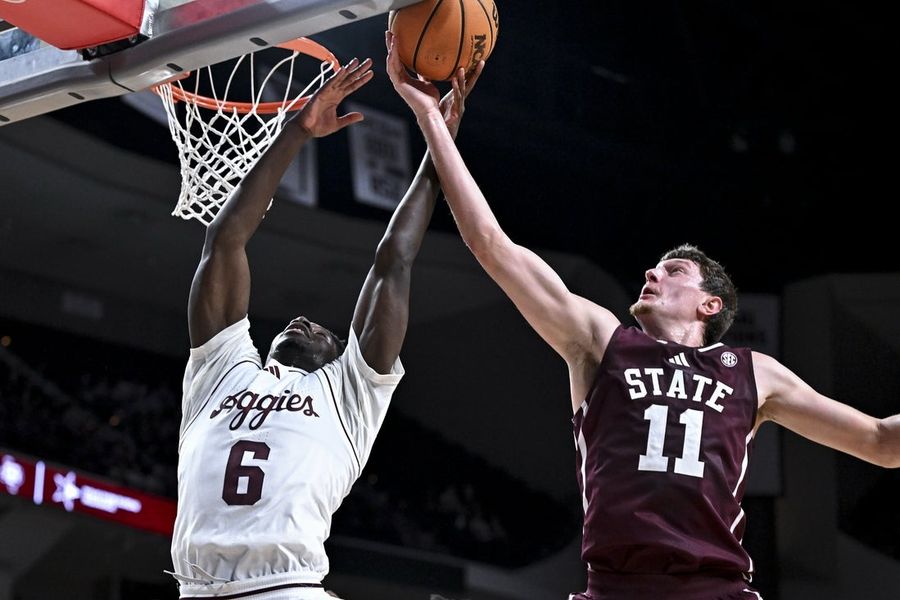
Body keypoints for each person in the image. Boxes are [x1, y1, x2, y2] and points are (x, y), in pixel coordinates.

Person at [385, 32, 900, 600]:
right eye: (653, 269)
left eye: (673, 271)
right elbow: (490, 244)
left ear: (712, 305)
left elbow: (881, 442)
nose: (652, 275)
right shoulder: (601, 339)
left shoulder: (754, 372)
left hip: (716, 591)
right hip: (616, 588)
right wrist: (431, 120)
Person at [167, 56, 481, 599]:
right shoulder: (221, 371)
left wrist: (439, 142)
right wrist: (298, 131)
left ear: (342, 353)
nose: (301, 320)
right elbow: (225, 242)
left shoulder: (349, 391)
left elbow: (394, 260)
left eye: (320, 329)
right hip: (197, 591)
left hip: (287, 587)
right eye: (302, 322)